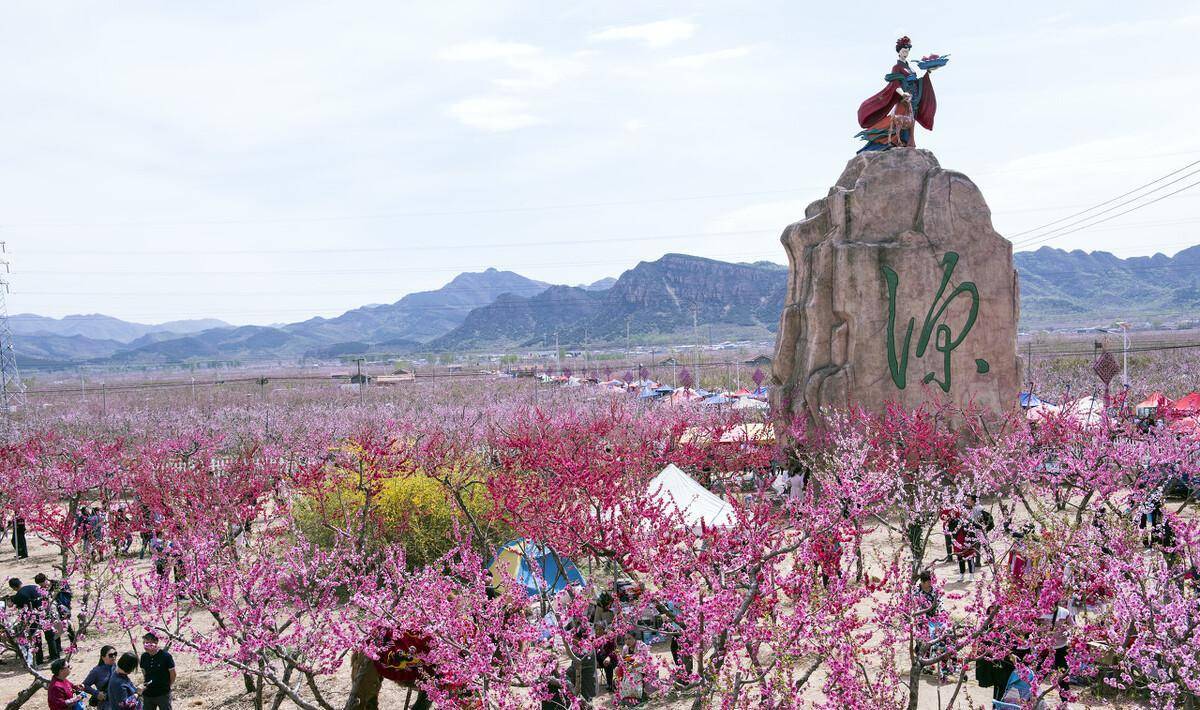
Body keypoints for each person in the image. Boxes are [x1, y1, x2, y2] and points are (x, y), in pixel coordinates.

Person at [855, 35, 940, 151]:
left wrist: (928, 71)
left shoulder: (909, 68)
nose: (906, 51)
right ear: (899, 52)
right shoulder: (897, 67)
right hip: (904, 100)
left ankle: (907, 143)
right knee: (899, 122)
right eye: (903, 49)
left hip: (913, 100)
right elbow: (895, 84)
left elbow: (917, 82)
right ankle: (892, 142)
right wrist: (903, 93)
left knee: (910, 122)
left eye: (907, 50)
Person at [139, 632, 175, 709]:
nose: (146, 645)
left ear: (156, 642)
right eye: (144, 643)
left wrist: (167, 686)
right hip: (148, 694)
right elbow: (144, 673)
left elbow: (173, 674)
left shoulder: (166, 656)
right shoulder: (143, 657)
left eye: (148, 643)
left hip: (163, 693)